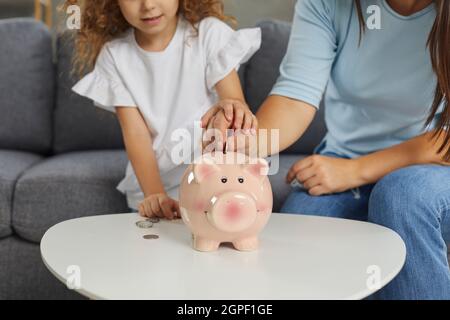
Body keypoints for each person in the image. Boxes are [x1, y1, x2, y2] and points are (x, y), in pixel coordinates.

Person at [204, 0, 450, 299]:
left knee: (401, 197)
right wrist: (245, 143)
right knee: (302, 221)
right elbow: (295, 97)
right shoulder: (325, 4)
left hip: (434, 168)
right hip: (344, 159)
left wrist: (355, 171)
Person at [68, 0, 261, 219]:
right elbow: (136, 134)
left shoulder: (208, 34)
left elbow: (233, 103)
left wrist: (235, 108)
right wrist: (155, 195)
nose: (148, 5)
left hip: (214, 184)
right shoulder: (114, 55)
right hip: (153, 189)